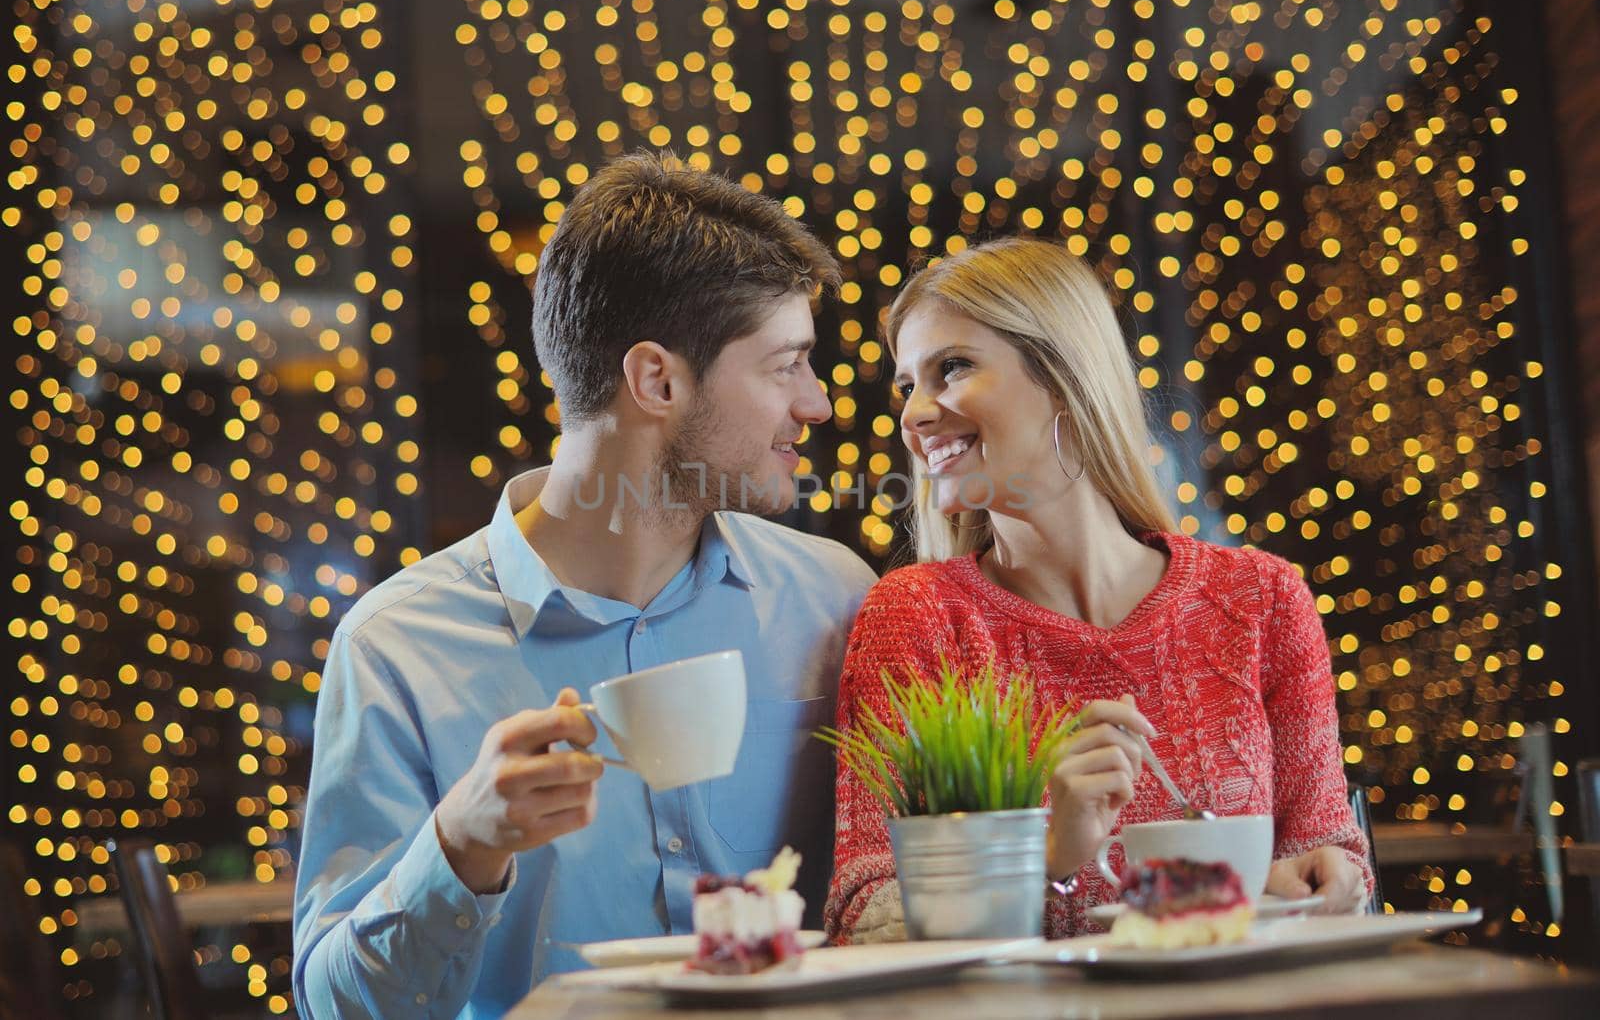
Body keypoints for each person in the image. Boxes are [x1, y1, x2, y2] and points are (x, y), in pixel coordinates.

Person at [294, 152, 877, 1017]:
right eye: (785, 365)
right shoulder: (397, 646)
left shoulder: (832, 599)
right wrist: (456, 848)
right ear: (658, 380)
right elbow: (336, 1006)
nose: (818, 404)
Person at [824, 237, 1372, 943]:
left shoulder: (1259, 597)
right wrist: (1049, 854)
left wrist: (1328, 879)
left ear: (1063, 377)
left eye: (952, 368)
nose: (915, 413)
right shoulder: (918, 616)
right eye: (907, 385)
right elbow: (862, 913)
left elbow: (1329, 854)